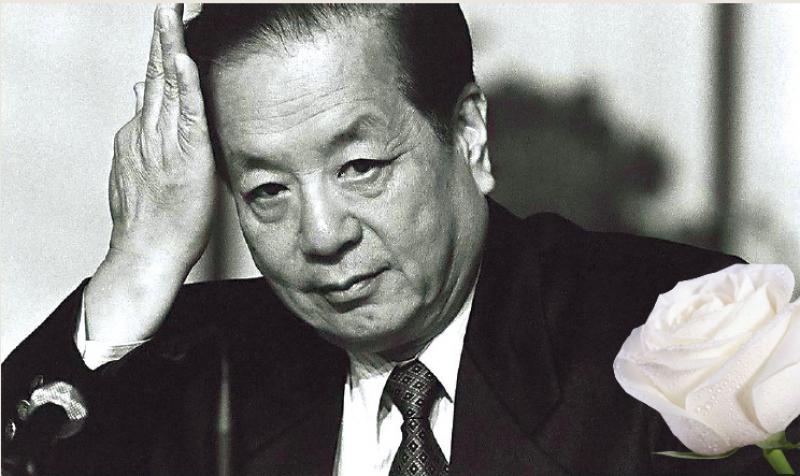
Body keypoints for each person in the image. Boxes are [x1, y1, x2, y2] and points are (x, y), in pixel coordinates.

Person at [1, 4, 793, 475]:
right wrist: (137, 266)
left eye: (361, 167)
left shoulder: (688, 338)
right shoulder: (200, 376)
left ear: (469, 135)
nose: (321, 236)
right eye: (267, 190)